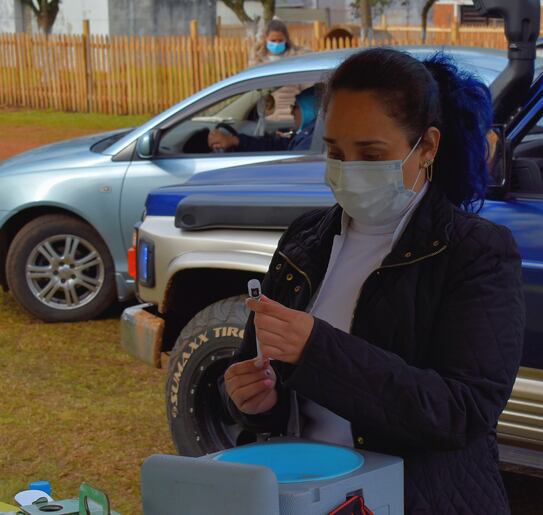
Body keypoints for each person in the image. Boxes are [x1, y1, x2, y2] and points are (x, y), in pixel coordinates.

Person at [220, 48, 525, 513]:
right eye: (335, 151)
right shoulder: (306, 239)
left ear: (426, 147)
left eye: (371, 153)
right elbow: (264, 373)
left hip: (416, 499)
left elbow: (462, 412)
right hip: (312, 493)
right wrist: (257, 399)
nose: (349, 169)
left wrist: (318, 351)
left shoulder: (475, 252)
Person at [207, 85, 319, 152]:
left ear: (309, 110)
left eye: (295, 107)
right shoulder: (308, 136)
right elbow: (277, 147)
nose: (291, 111)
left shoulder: (309, 143)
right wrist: (235, 141)